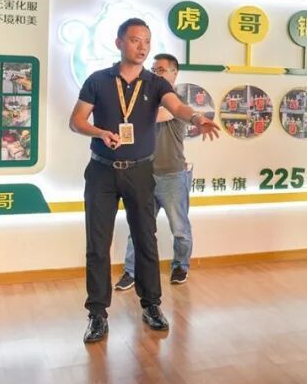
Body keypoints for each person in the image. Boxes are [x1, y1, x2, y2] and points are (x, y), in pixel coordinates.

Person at [70, 18, 220, 344]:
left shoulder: (155, 83)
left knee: (145, 240)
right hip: (101, 171)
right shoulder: (98, 80)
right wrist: (99, 132)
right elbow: (76, 120)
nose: (142, 47)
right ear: (119, 42)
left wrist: (197, 118)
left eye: (147, 42)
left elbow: (177, 107)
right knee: (97, 244)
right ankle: (97, 314)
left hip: (140, 171)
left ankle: (151, 305)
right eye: (135, 40)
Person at [115, 54, 195, 291]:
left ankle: (180, 265)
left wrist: (128, 113)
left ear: (174, 73)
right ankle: (131, 271)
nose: (155, 74)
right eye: (153, 69)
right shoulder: (144, 98)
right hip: (144, 174)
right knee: (139, 228)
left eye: (160, 70)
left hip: (172, 175)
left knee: (179, 228)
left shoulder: (177, 102)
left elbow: (158, 115)